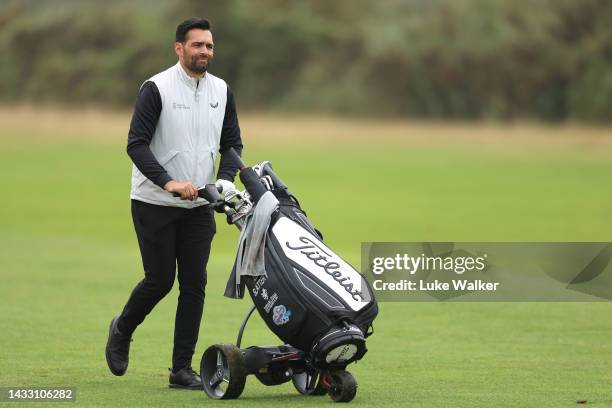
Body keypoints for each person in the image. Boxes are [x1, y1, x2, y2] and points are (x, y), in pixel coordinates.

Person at [105, 17, 243, 389]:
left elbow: (231, 144)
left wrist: (224, 182)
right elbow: (135, 143)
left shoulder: (221, 90)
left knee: (195, 285)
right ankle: (122, 328)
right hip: (154, 203)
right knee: (160, 280)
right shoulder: (157, 88)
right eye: (197, 45)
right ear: (179, 48)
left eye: (209, 46)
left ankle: (181, 370)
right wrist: (168, 183)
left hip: (199, 207)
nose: (205, 52)